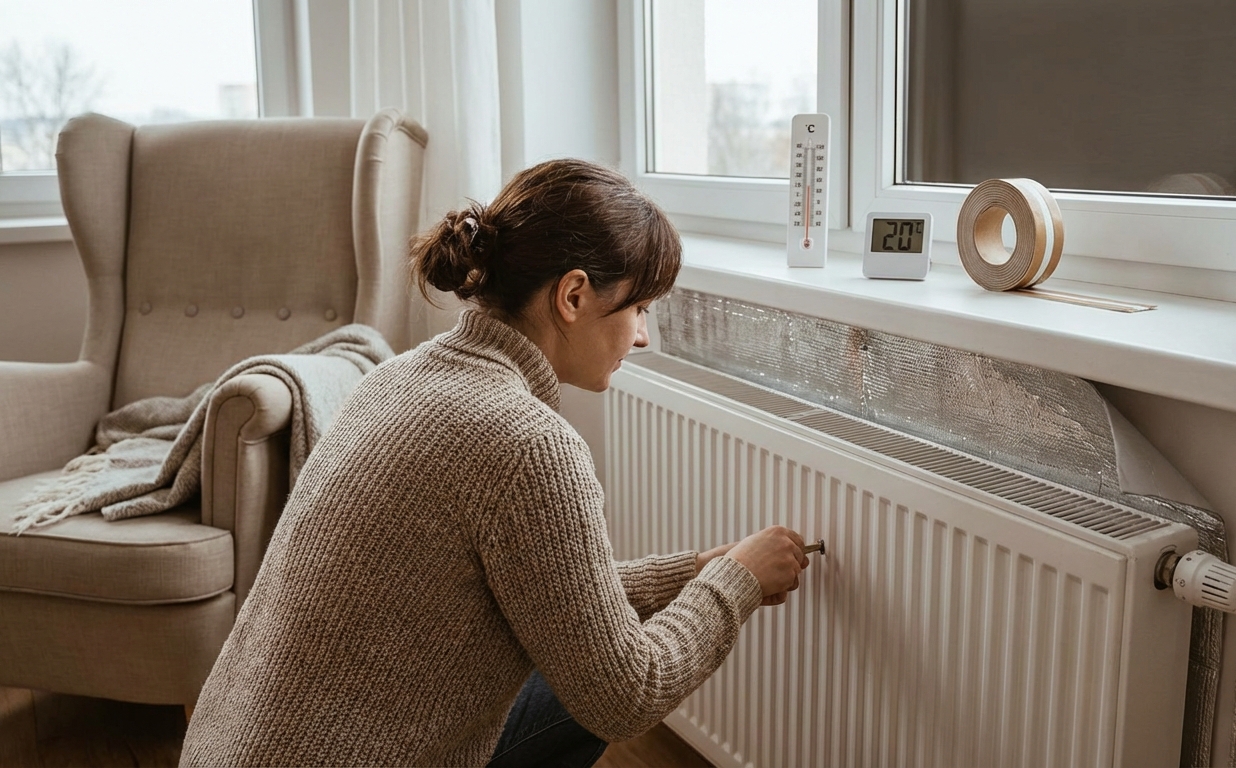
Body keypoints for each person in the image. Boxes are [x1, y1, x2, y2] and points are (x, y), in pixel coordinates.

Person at [179, 159, 812, 767]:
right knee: (582, 702)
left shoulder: (397, 375)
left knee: (563, 671)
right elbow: (626, 696)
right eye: (639, 308)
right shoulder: (527, 444)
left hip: (230, 747)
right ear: (572, 295)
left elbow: (541, 591)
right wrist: (737, 584)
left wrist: (694, 570)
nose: (642, 336)